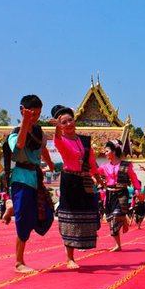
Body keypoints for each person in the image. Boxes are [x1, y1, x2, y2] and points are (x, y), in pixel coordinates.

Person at [7, 95, 56, 273]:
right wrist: (24, 123)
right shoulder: (14, 132)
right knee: (24, 219)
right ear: (22, 110)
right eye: (32, 114)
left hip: (36, 179)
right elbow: (19, 145)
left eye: (38, 114)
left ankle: (11, 206)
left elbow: (42, 148)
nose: (35, 117)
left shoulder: (38, 131)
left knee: (46, 214)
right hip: (21, 179)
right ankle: (19, 262)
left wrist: (50, 164)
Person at [51, 105, 100, 269]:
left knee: (89, 214)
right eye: (63, 122)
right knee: (70, 217)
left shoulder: (84, 141)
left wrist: (98, 177)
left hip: (85, 180)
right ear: (60, 126)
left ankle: (83, 243)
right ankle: (70, 258)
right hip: (70, 180)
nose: (68, 124)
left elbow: (92, 161)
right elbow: (57, 140)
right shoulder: (61, 140)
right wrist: (57, 129)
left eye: (70, 120)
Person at [96, 139, 141, 251]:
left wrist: (137, 190)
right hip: (110, 194)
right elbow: (94, 172)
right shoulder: (105, 167)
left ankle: (123, 219)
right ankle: (118, 245)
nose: (105, 153)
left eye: (106, 151)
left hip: (122, 193)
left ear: (114, 151)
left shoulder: (126, 165)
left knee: (116, 216)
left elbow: (134, 179)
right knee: (111, 220)